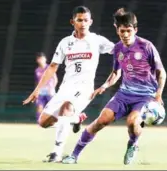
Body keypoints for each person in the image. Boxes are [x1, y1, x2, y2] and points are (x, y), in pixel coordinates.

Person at [62, 8, 167, 165]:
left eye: (128, 31)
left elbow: (162, 73)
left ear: (135, 30)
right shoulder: (118, 48)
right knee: (101, 121)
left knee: (132, 122)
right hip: (124, 94)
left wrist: (158, 94)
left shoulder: (146, 46)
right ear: (116, 29)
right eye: (122, 31)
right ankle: (74, 155)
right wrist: (104, 86)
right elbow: (115, 73)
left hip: (145, 96)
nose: (125, 34)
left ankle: (132, 144)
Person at [23, 6, 114, 162]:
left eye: (86, 20)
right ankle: (76, 119)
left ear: (90, 21)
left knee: (67, 108)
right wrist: (37, 90)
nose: (83, 23)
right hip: (65, 88)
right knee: (43, 122)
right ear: (73, 22)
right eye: (79, 20)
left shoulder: (97, 40)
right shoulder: (65, 43)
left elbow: (118, 50)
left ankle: (56, 153)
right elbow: (52, 67)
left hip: (84, 88)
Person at [34, 52, 58, 121]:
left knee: (52, 107)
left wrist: (52, 88)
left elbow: (55, 79)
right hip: (41, 91)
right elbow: (37, 82)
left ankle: (54, 121)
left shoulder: (49, 68)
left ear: (45, 59)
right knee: (40, 107)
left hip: (50, 91)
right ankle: (40, 122)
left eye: (42, 58)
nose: (41, 60)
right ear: (37, 60)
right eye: (39, 59)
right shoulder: (37, 70)